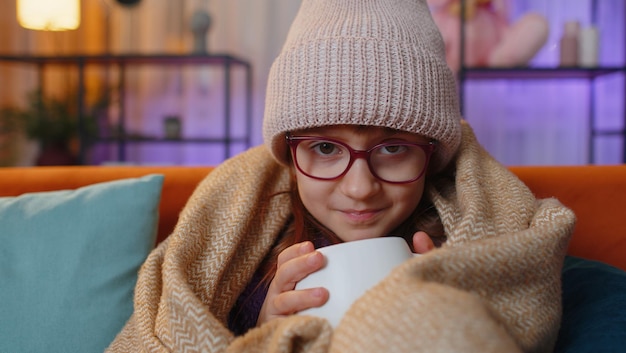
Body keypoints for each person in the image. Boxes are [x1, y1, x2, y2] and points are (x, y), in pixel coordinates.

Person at [107, 0, 575, 352]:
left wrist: (450, 293)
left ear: (431, 157)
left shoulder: (469, 240)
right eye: (325, 148)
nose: (360, 187)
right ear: (289, 157)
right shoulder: (251, 257)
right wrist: (265, 322)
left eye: (393, 148)